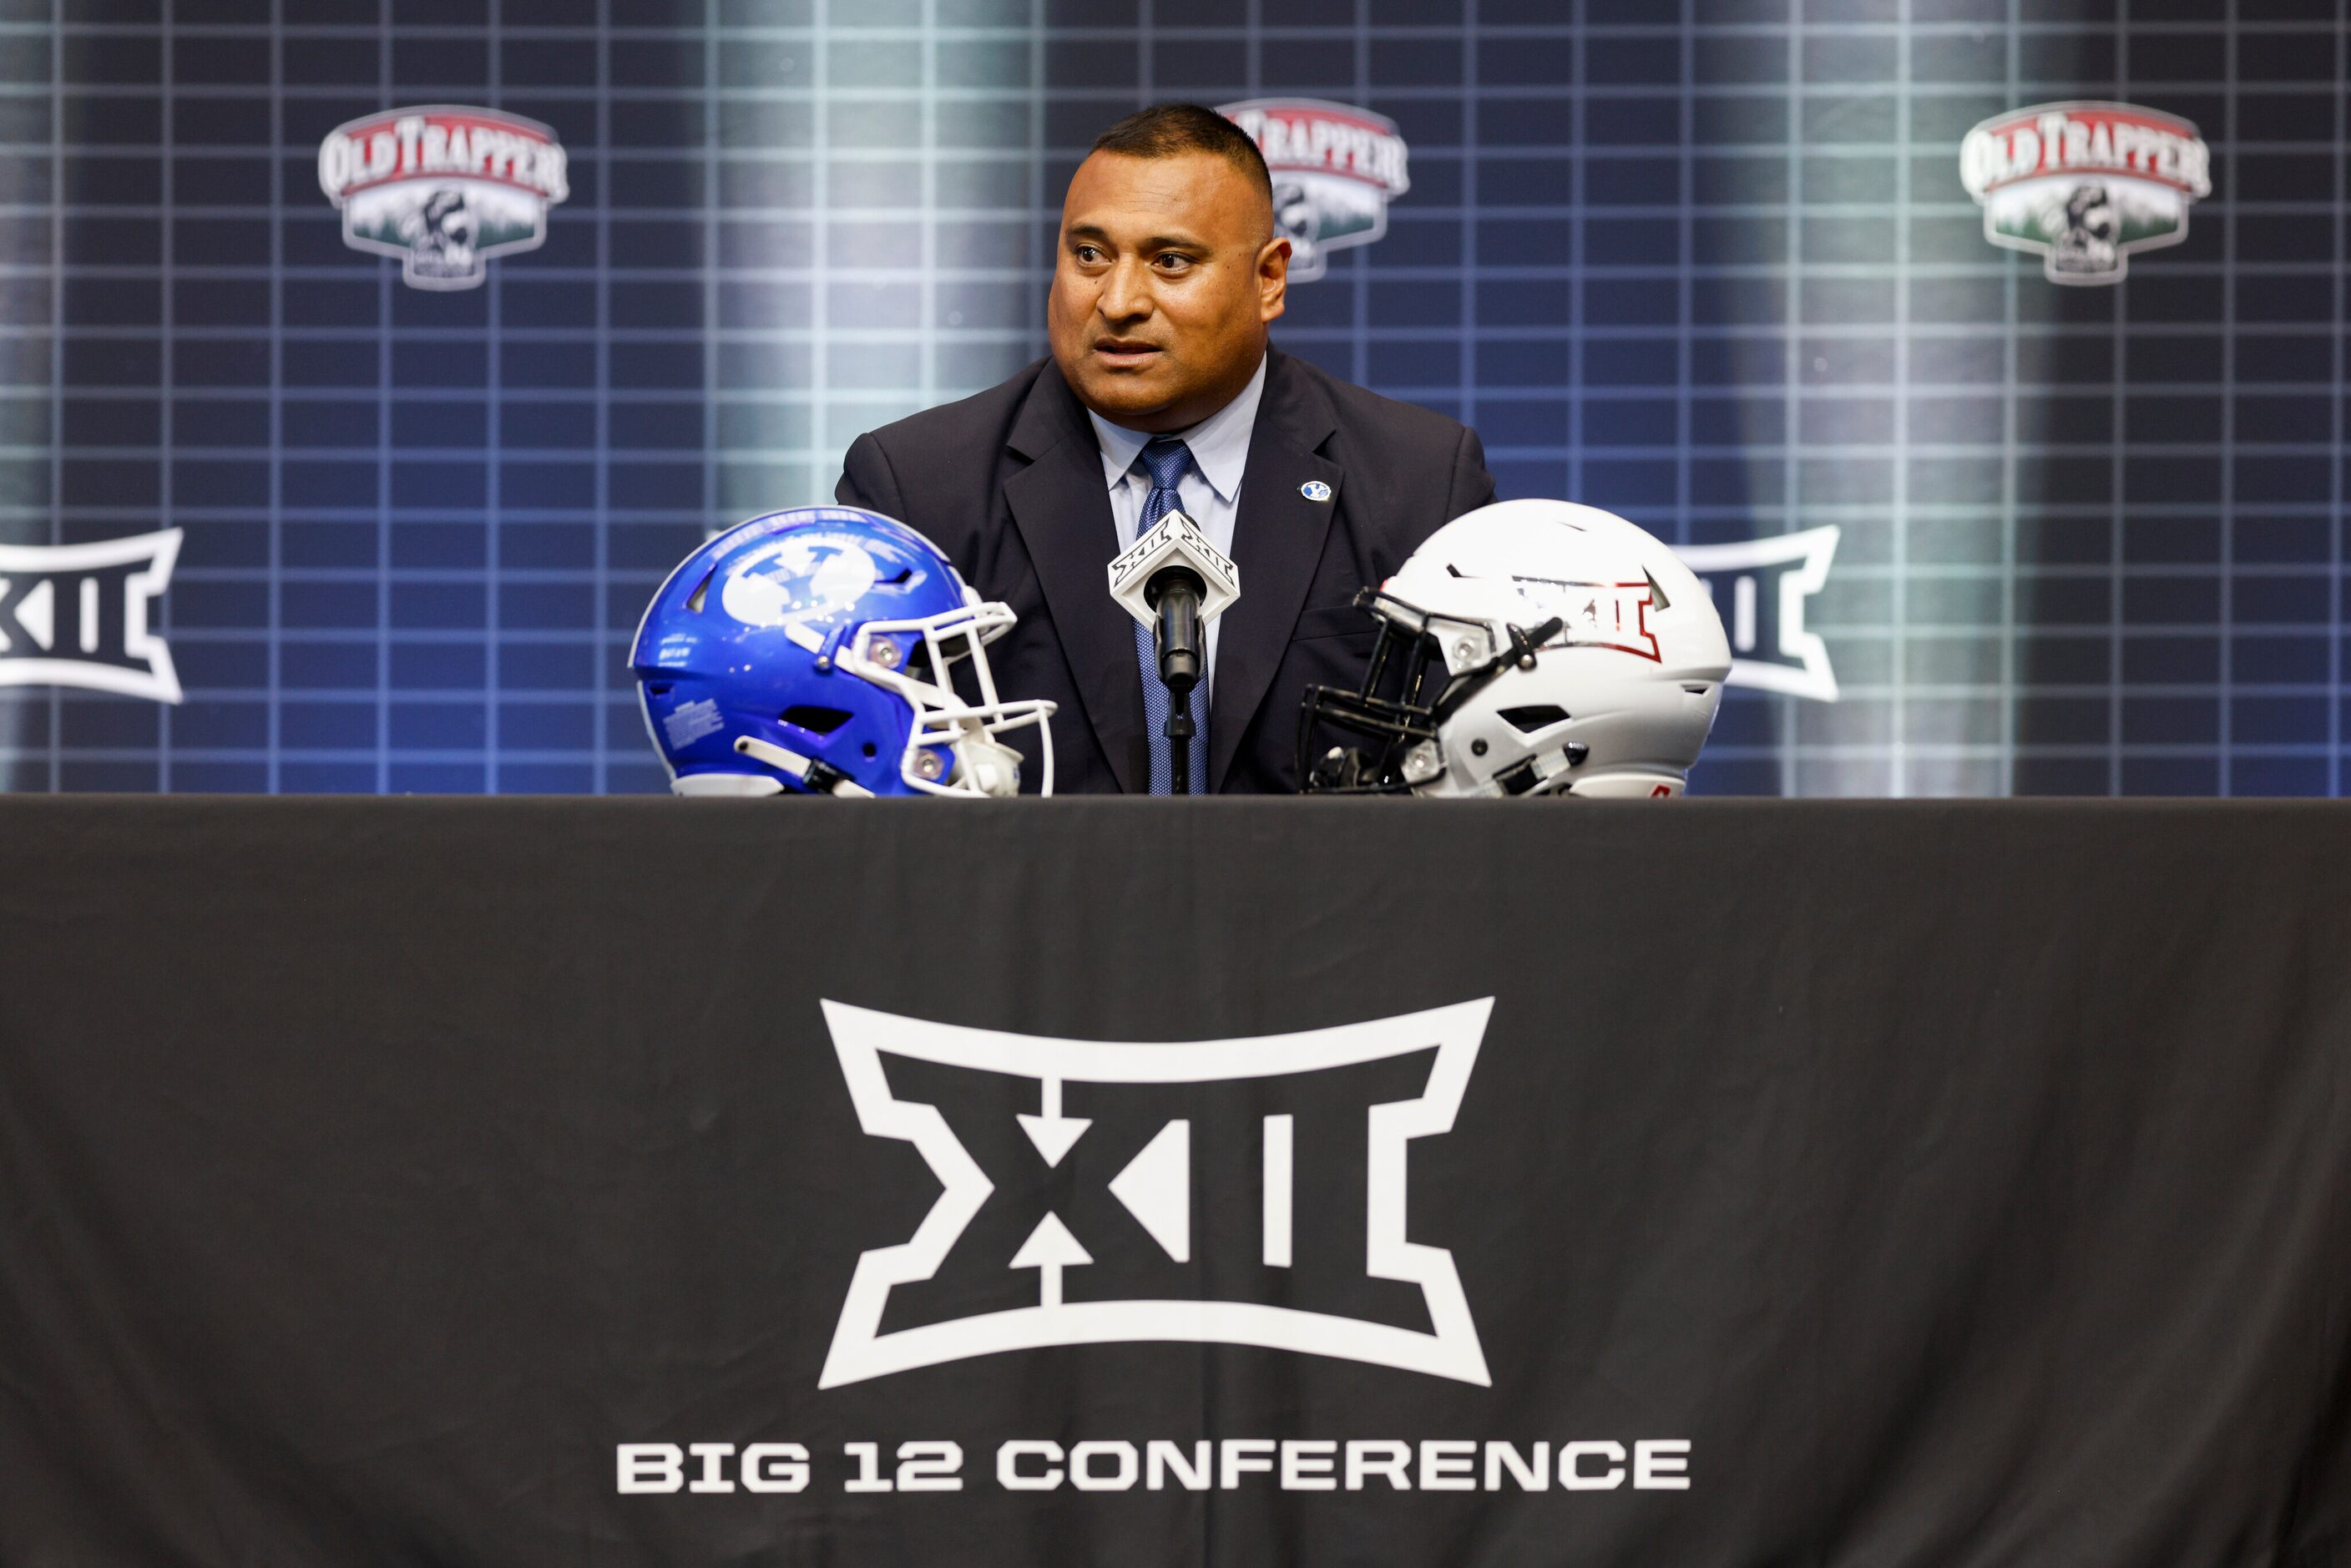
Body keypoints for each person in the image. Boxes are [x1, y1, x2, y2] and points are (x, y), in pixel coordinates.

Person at [835, 103, 1497, 795]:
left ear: (1268, 279)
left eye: (1171, 261)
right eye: (1089, 255)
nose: (1117, 300)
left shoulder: (1419, 485)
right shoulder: (917, 489)